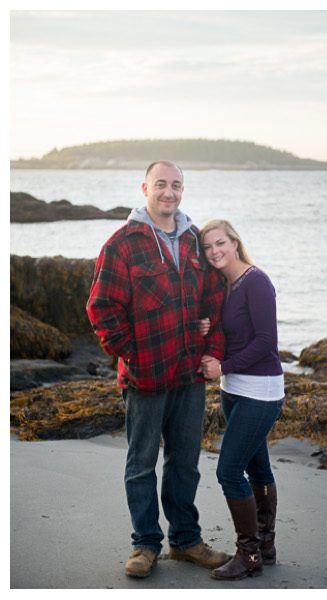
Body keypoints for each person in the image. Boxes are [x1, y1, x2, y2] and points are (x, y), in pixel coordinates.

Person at [87, 160, 231, 578]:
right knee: (141, 463)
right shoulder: (123, 243)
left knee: (185, 462)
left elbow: (213, 298)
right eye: (162, 184)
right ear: (145, 187)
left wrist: (211, 345)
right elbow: (101, 309)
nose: (169, 192)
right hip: (145, 376)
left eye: (177, 186)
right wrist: (131, 354)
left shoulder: (193, 239)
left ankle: (185, 540)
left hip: (188, 374)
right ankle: (145, 545)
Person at [196, 220, 284, 580]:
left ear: (235, 243)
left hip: (260, 392)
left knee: (229, 471)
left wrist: (225, 365)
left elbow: (265, 340)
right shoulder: (224, 284)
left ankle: (248, 554)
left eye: (220, 243)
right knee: (258, 469)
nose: (214, 251)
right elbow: (231, 331)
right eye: (207, 247)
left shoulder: (256, 281)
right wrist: (207, 329)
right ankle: (265, 545)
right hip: (233, 390)